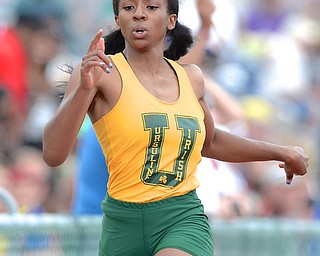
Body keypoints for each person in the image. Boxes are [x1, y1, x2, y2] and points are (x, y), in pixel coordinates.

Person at [42, 0, 309, 255]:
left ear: (171, 20)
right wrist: (83, 91)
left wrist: (282, 152)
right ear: (117, 20)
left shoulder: (191, 78)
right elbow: (53, 155)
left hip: (181, 217)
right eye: (128, 7)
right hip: (121, 224)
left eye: (151, 6)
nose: (138, 14)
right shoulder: (99, 72)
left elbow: (212, 142)